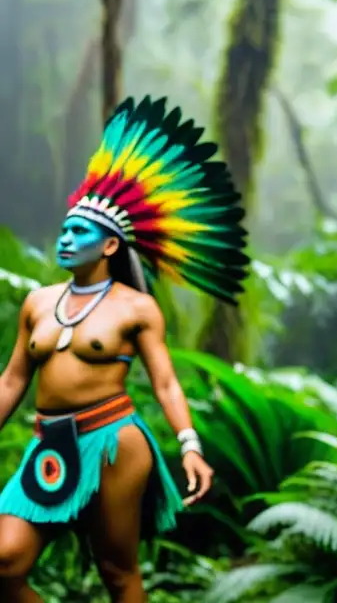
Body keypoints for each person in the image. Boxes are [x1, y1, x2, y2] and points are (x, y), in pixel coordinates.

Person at [0, 96, 249, 603]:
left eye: (79, 230)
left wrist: (190, 446)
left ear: (110, 245)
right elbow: (11, 381)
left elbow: (164, 382)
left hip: (114, 441)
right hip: (48, 444)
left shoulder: (136, 309)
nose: (65, 238)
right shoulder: (38, 303)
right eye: (65, 228)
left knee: (117, 571)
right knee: (5, 562)